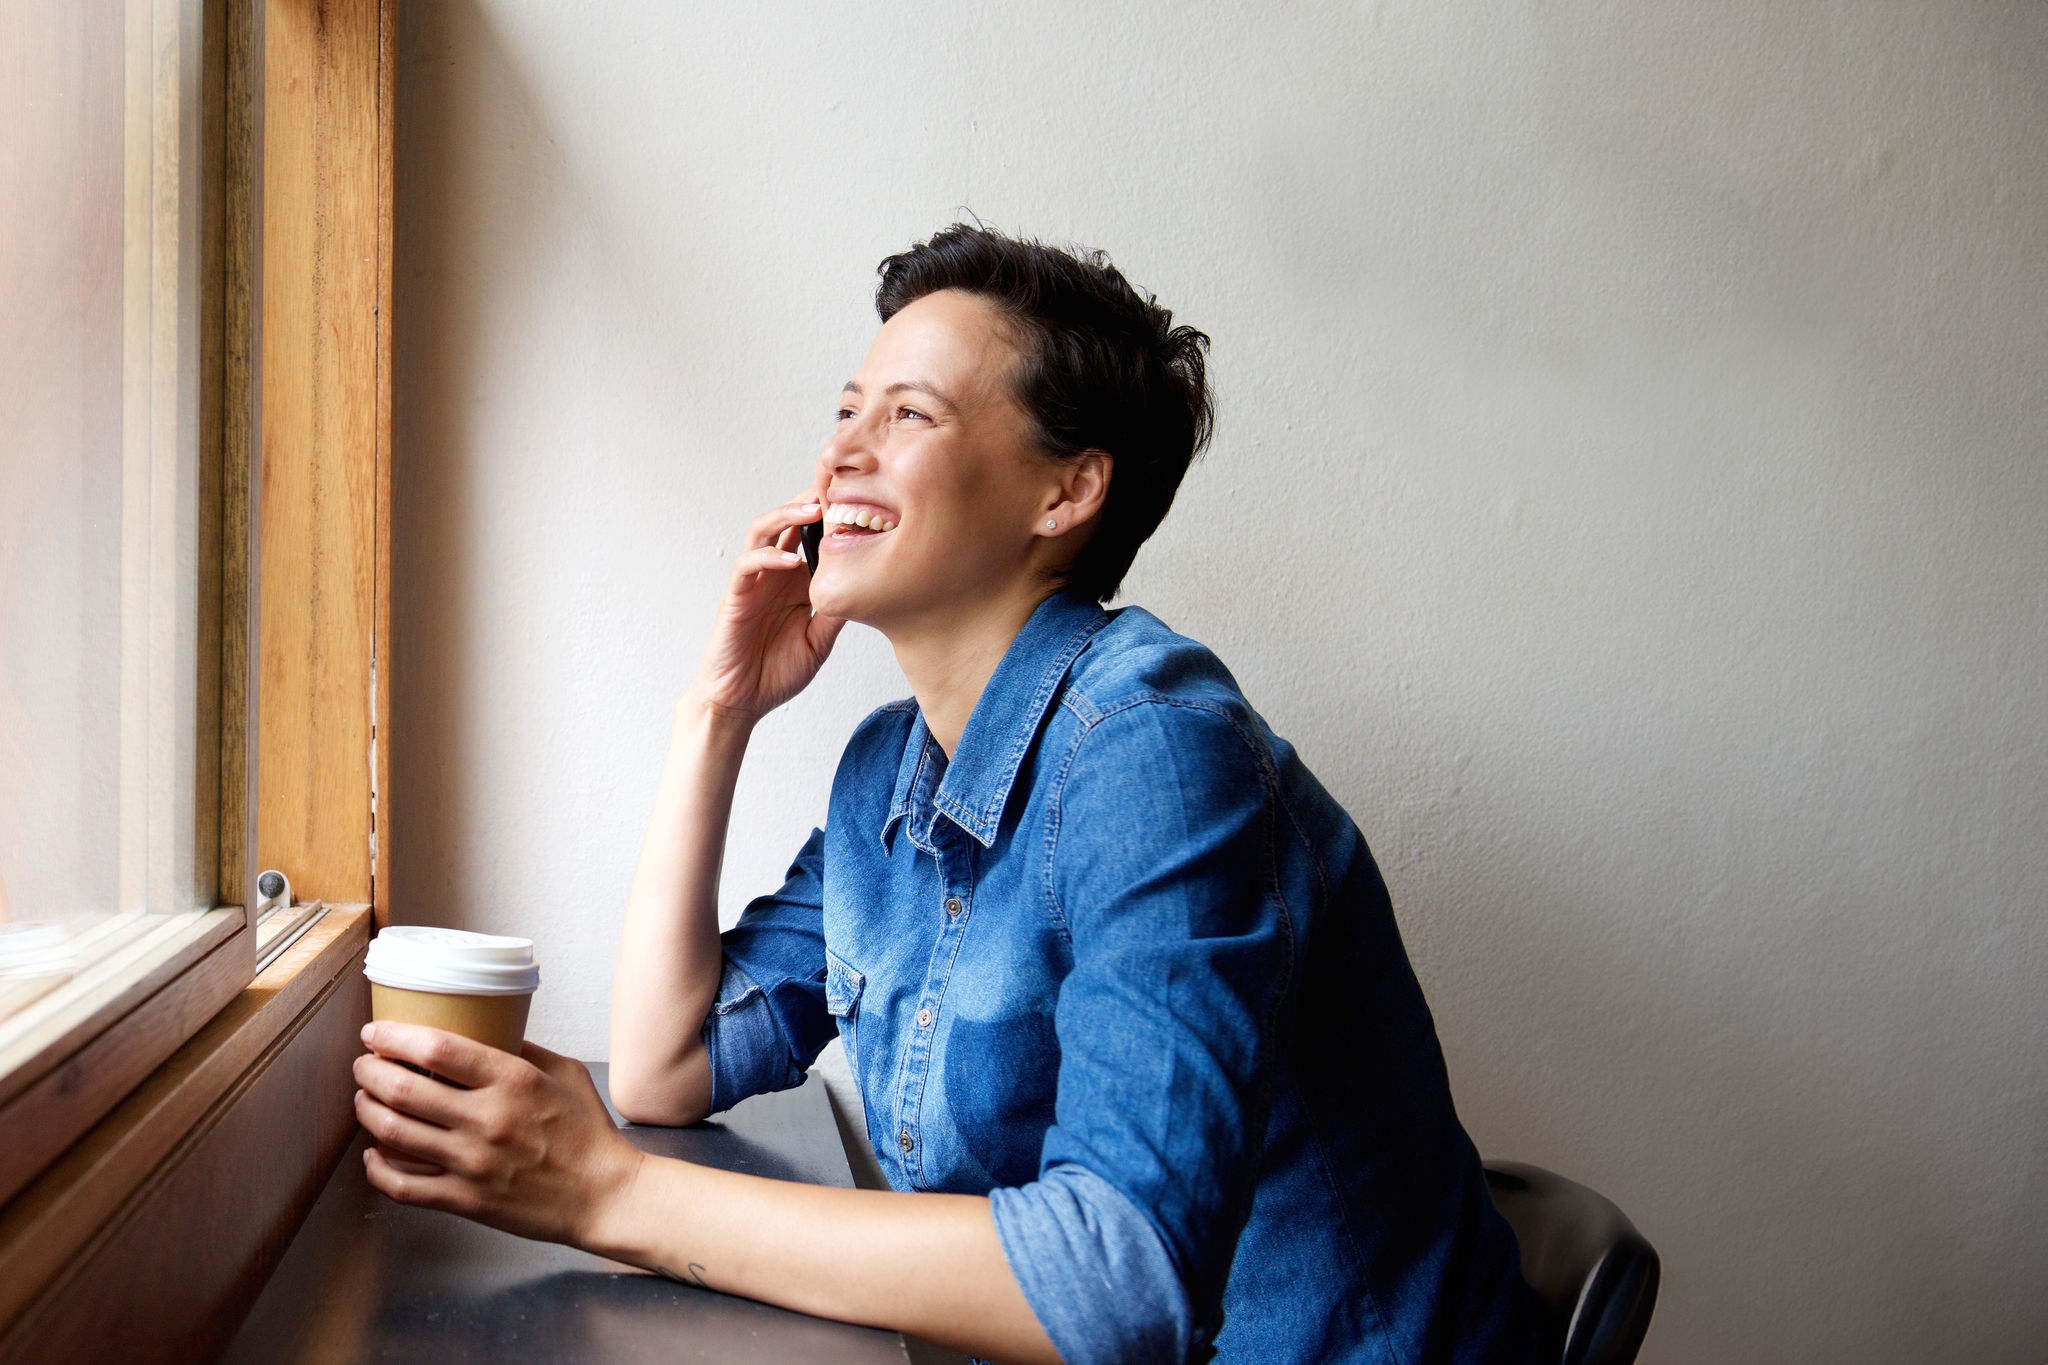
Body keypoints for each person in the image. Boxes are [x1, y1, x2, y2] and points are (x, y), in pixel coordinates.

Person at [352, 225, 1541, 1364]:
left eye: (908, 414)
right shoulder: (890, 767)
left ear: (1064, 494)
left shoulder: (1158, 749)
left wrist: (607, 1193)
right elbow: (671, 1065)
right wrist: (715, 715)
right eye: (843, 412)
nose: (843, 453)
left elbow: (1120, 1285)